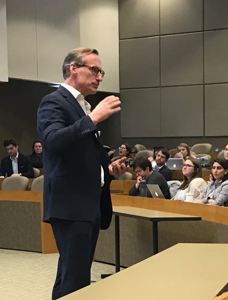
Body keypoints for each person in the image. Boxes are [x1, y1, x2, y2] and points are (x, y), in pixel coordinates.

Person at [36, 47, 126, 299]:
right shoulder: (54, 101)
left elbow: (82, 154)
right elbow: (52, 142)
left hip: (87, 203)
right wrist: (93, 119)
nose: (99, 77)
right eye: (94, 70)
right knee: (75, 279)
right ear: (73, 68)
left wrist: (108, 170)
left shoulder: (82, 106)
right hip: (71, 204)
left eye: (101, 72)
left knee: (72, 274)